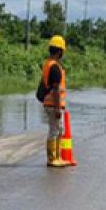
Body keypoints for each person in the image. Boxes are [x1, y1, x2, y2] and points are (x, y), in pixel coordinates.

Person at [41, 35, 68, 168]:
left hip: (51, 103)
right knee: (54, 130)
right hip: (53, 105)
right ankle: (52, 159)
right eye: (62, 51)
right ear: (59, 51)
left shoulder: (48, 64)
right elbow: (56, 90)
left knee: (59, 129)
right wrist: (58, 109)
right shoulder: (55, 67)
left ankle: (57, 157)